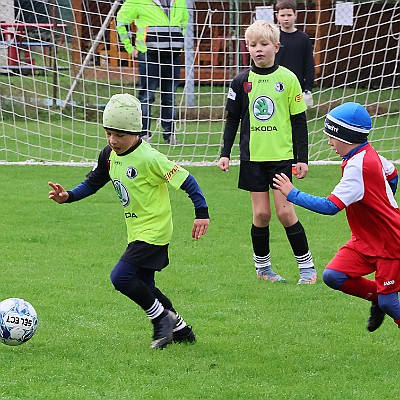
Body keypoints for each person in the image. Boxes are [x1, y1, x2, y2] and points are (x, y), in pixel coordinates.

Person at [48, 94, 210, 349]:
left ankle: (161, 320)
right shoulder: (108, 154)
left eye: (120, 135)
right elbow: (93, 182)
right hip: (135, 231)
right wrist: (68, 196)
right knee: (145, 284)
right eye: (108, 133)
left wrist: (201, 213)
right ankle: (181, 330)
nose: (113, 140)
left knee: (121, 277)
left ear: (136, 132)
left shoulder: (150, 158)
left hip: (155, 231)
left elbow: (188, 180)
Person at [273, 102, 400, 331]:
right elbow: (392, 174)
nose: (329, 142)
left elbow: (330, 206)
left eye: (332, 137)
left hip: (390, 241)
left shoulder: (357, 167)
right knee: (333, 276)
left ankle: (381, 299)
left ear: (347, 136)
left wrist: (292, 193)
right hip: (366, 238)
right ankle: (375, 296)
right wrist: (380, 200)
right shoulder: (366, 154)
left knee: (391, 302)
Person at [217, 20, 316, 285]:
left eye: (263, 44)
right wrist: (225, 153)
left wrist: (301, 159)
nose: (257, 49)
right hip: (252, 159)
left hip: (281, 158)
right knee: (261, 215)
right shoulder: (241, 81)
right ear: (246, 48)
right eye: (252, 45)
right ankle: (263, 268)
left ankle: (307, 268)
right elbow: (232, 120)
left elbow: (299, 122)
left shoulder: (288, 79)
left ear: (276, 46)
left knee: (285, 213)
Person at [116, 0, 188, 145]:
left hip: (172, 55)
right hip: (149, 55)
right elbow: (121, 21)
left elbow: (184, 23)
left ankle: (170, 135)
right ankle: (143, 135)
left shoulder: (180, 1)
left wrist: (177, 42)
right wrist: (130, 47)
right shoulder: (137, 1)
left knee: (170, 97)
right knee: (147, 96)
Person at [275, 0, 315, 108]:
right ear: (277, 16)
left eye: (289, 15)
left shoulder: (303, 38)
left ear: (295, 15)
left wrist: (308, 89)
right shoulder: (273, 37)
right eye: (282, 15)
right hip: (275, 83)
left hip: (297, 85)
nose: (286, 18)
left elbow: (309, 63)